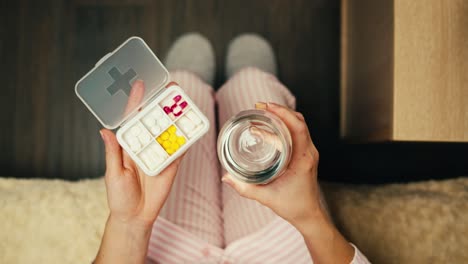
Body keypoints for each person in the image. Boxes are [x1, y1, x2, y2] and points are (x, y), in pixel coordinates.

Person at [95, 33, 370, 264]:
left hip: (169, 253)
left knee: (184, 94)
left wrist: (130, 223)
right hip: (284, 253)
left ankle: (192, 78)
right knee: (253, 89)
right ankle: (246, 78)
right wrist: (310, 217)